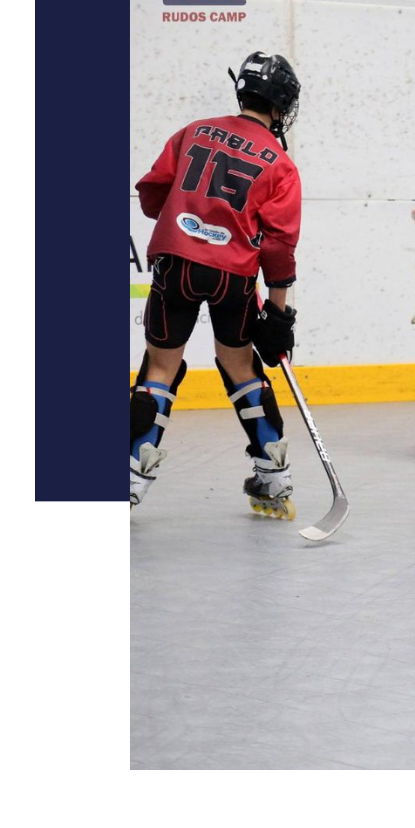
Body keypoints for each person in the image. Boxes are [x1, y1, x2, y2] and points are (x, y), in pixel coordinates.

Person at [130, 52, 303, 517]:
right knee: (239, 365)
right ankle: (272, 470)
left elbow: (151, 194)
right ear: (281, 106)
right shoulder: (281, 165)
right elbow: (279, 245)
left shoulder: (195, 131)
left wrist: (187, 214)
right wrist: (279, 313)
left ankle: (130, 475)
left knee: (161, 369)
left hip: (177, 261)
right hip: (234, 273)